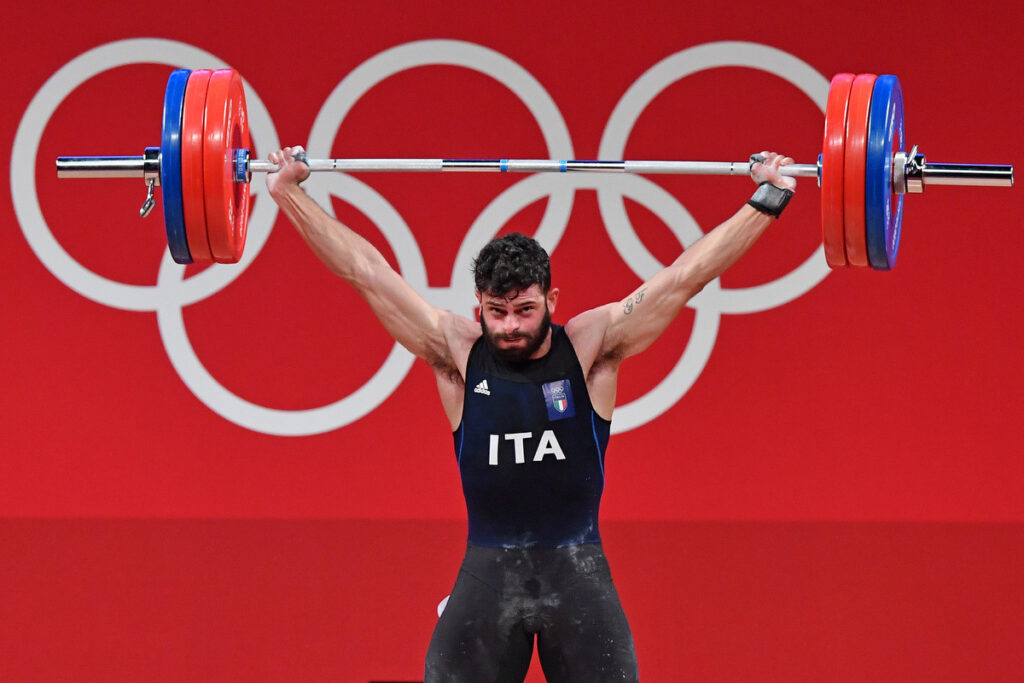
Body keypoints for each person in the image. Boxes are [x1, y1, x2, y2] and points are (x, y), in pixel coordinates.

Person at [266, 147, 796, 682]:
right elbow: (366, 272)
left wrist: (767, 199)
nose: (510, 326)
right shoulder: (457, 351)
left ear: (552, 300)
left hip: (578, 574)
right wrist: (290, 193)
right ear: (480, 306)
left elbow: (686, 277)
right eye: (497, 312)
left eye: (525, 309)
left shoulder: (592, 347)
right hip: (488, 575)